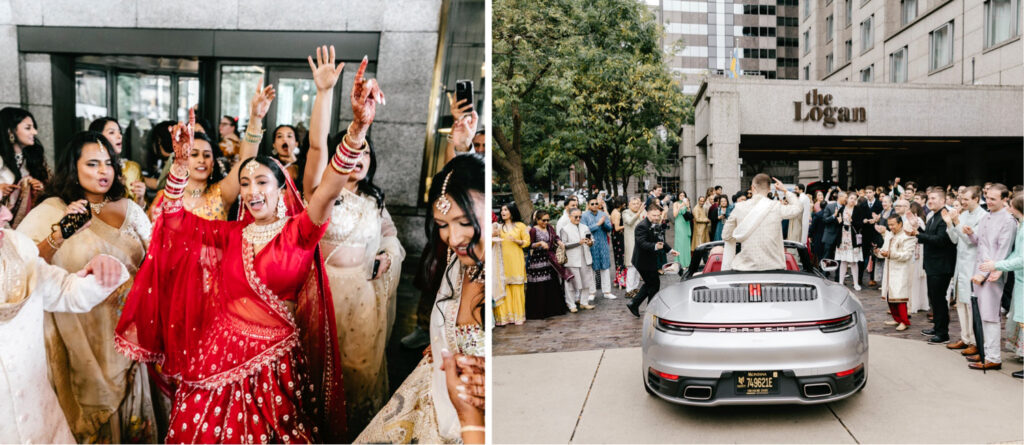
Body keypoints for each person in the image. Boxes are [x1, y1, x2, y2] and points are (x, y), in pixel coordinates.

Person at [116, 92, 356, 441]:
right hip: (216, 353)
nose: (252, 191)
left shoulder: (300, 231)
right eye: (245, 184)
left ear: (280, 188)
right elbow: (174, 220)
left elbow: (329, 190)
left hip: (273, 368)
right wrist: (179, 168)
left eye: (261, 183)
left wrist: (358, 129)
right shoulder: (232, 233)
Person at [16, 131, 157, 443]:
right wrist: (61, 233)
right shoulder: (52, 210)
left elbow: (156, 260)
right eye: (92, 164)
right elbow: (20, 267)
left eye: (108, 163)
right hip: (80, 336)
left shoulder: (129, 208)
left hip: (128, 334)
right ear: (74, 167)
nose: (103, 171)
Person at [302, 49, 405, 433]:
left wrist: (386, 257)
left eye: (364, 153)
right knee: (319, 373)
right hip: (323, 294)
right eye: (351, 151)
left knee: (359, 373)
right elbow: (316, 148)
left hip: (363, 295)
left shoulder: (374, 202)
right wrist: (325, 94)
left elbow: (392, 238)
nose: (357, 158)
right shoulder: (322, 194)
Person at [358, 154, 486, 444]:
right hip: (433, 391)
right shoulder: (459, 260)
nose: (453, 238)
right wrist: (444, 338)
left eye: (464, 222)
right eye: (442, 225)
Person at [0, 220, 129, 444]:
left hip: (46, 424)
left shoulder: (18, 247)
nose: (6, 213)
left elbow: (64, 291)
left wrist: (102, 270)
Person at [148, 84, 272, 222]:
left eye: (207, 155)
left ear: (213, 163)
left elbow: (246, 161)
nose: (202, 159)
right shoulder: (165, 198)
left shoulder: (221, 194)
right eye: (194, 154)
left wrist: (255, 118)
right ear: (183, 159)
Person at [965, 184, 1017, 369]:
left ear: (1004, 199)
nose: (989, 201)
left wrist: (984, 274)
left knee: (990, 316)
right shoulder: (987, 216)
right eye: (987, 197)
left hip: (993, 274)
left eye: (993, 199)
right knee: (980, 315)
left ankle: (994, 357)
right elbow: (981, 243)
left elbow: (1002, 252)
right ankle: (985, 352)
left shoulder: (1008, 221)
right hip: (979, 269)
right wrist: (972, 235)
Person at [979, 192, 1023, 378]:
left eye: (1010, 205)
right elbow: (1015, 254)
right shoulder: (1021, 226)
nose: (1008, 208)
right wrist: (1000, 268)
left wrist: (997, 265)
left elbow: (1022, 258)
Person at [720, 174, 803, 271]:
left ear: (752, 188)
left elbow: (726, 235)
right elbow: (798, 208)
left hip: (745, 268)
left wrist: (742, 235)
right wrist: (784, 190)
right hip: (773, 267)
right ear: (769, 190)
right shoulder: (776, 206)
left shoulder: (739, 207)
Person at [942, 186, 985, 354]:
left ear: (976, 199)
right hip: (960, 264)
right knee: (960, 303)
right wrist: (950, 224)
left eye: (966, 199)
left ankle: (975, 340)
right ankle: (965, 337)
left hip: (972, 263)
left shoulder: (983, 216)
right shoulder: (964, 214)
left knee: (970, 305)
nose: (962, 202)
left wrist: (957, 222)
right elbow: (955, 239)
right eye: (962, 199)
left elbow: (970, 241)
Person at [915, 187, 958, 344]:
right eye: (929, 199)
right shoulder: (933, 215)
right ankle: (937, 327)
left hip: (942, 265)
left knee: (939, 299)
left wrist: (917, 235)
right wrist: (917, 229)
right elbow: (929, 235)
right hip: (932, 264)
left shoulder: (945, 216)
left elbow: (940, 240)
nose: (930, 201)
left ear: (943, 200)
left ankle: (943, 333)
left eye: (933, 198)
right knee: (934, 298)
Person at [626, 202, 679, 317]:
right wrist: (655, 246)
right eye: (654, 215)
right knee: (653, 284)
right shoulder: (641, 226)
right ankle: (649, 309)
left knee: (651, 284)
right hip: (642, 261)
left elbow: (661, 240)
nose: (656, 217)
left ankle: (635, 304)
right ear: (648, 214)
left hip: (650, 260)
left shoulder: (656, 224)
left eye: (658, 215)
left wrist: (670, 250)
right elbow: (642, 243)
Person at [0, 107, 47, 229]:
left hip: (27, 225)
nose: (35, 132)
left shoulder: (33, 158)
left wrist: (37, 187)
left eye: (33, 127)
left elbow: (49, 187)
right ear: (10, 132)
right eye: (28, 128)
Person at [88, 117, 147, 207]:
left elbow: (141, 215)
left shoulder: (132, 168)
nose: (119, 136)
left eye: (120, 132)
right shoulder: (90, 170)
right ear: (98, 137)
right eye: (112, 132)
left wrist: (140, 198)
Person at [526, 209, 569, 319]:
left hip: (549, 259)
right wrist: (539, 244)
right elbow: (529, 245)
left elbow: (555, 237)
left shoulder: (549, 227)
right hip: (538, 260)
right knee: (540, 284)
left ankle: (553, 309)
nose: (546, 222)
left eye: (547, 220)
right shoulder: (533, 230)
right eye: (543, 220)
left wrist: (559, 242)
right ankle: (540, 311)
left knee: (551, 282)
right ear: (537, 220)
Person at [877, 215, 917, 331]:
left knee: (899, 297)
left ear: (900, 224)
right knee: (890, 296)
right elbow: (884, 250)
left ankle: (904, 321)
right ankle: (897, 319)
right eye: (889, 225)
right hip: (889, 269)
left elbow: (907, 255)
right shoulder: (890, 236)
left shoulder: (907, 236)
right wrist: (877, 252)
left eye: (893, 224)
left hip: (901, 270)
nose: (891, 227)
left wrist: (890, 254)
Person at [495, 203, 528, 325]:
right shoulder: (498, 228)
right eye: (501, 210)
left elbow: (527, 242)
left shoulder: (520, 226)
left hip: (516, 259)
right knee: (504, 287)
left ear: (512, 212)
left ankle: (518, 316)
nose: (503, 212)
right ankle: (505, 317)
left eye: (505, 210)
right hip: (502, 261)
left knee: (517, 287)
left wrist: (517, 241)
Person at [560, 208, 595, 311]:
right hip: (572, 260)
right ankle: (571, 305)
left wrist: (590, 242)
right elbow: (563, 245)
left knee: (587, 282)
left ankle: (584, 302)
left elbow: (592, 239)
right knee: (571, 284)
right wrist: (578, 243)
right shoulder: (565, 229)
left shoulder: (585, 227)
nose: (578, 218)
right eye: (576, 216)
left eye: (580, 216)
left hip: (585, 257)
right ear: (570, 217)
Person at [582, 195, 615, 299]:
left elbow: (610, 228)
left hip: (603, 244)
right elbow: (584, 230)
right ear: (588, 205)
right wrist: (598, 224)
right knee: (592, 269)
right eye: (592, 204)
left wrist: (604, 223)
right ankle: (592, 292)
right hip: (591, 245)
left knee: (605, 268)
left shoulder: (603, 214)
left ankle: (607, 292)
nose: (595, 205)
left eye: (596, 203)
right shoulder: (584, 216)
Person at [904, 200, 930, 315]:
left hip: (916, 250)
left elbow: (919, 234)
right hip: (917, 249)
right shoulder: (919, 219)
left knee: (915, 278)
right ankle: (919, 302)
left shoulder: (917, 220)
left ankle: (915, 303)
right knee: (916, 278)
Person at [836, 192, 865, 291]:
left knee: (853, 262)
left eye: (855, 198)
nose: (853, 200)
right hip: (843, 237)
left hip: (853, 238)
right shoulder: (841, 209)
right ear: (847, 199)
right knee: (843, 261)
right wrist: (839, 222)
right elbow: (838, 224)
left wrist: (852, 220)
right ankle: (840, 282)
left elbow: (860, 224)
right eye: (851, 198)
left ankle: (856, 283)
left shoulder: (858, 210)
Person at [622, 197, 643, 297]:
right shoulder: (626, 212)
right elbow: (629, 222)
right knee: (631, 267)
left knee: (639, 266)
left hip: (641, 243)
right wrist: (638, 214)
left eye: (637, 203)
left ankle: (635, 288)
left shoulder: (643, 212)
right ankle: (629, 290)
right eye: (633, 203)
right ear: (629, 204)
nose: (636, 205)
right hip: (631, 243)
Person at [609, 196, 627, 288]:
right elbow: (616, 228)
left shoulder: (614, 211)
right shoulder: (617, 213)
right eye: (624, 203)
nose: (625, 204)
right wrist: (626, 225)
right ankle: (621, 281)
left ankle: (618, 279)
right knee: (621, 258)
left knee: (618, 258)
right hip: (618, 237)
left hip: (615, 237)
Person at [672, 191, 692, 269]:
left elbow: (689, 214)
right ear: (678, 196)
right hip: (679, 224)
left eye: (684, 195)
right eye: (680, 195)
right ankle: (680, 263)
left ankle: (687, 262)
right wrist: (680, 206)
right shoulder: (676, 203)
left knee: (686, 243)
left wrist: (687, 206)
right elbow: (674, 215)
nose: (682, 197)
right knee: (680, 242)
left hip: (686, 224)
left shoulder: (687, 202)